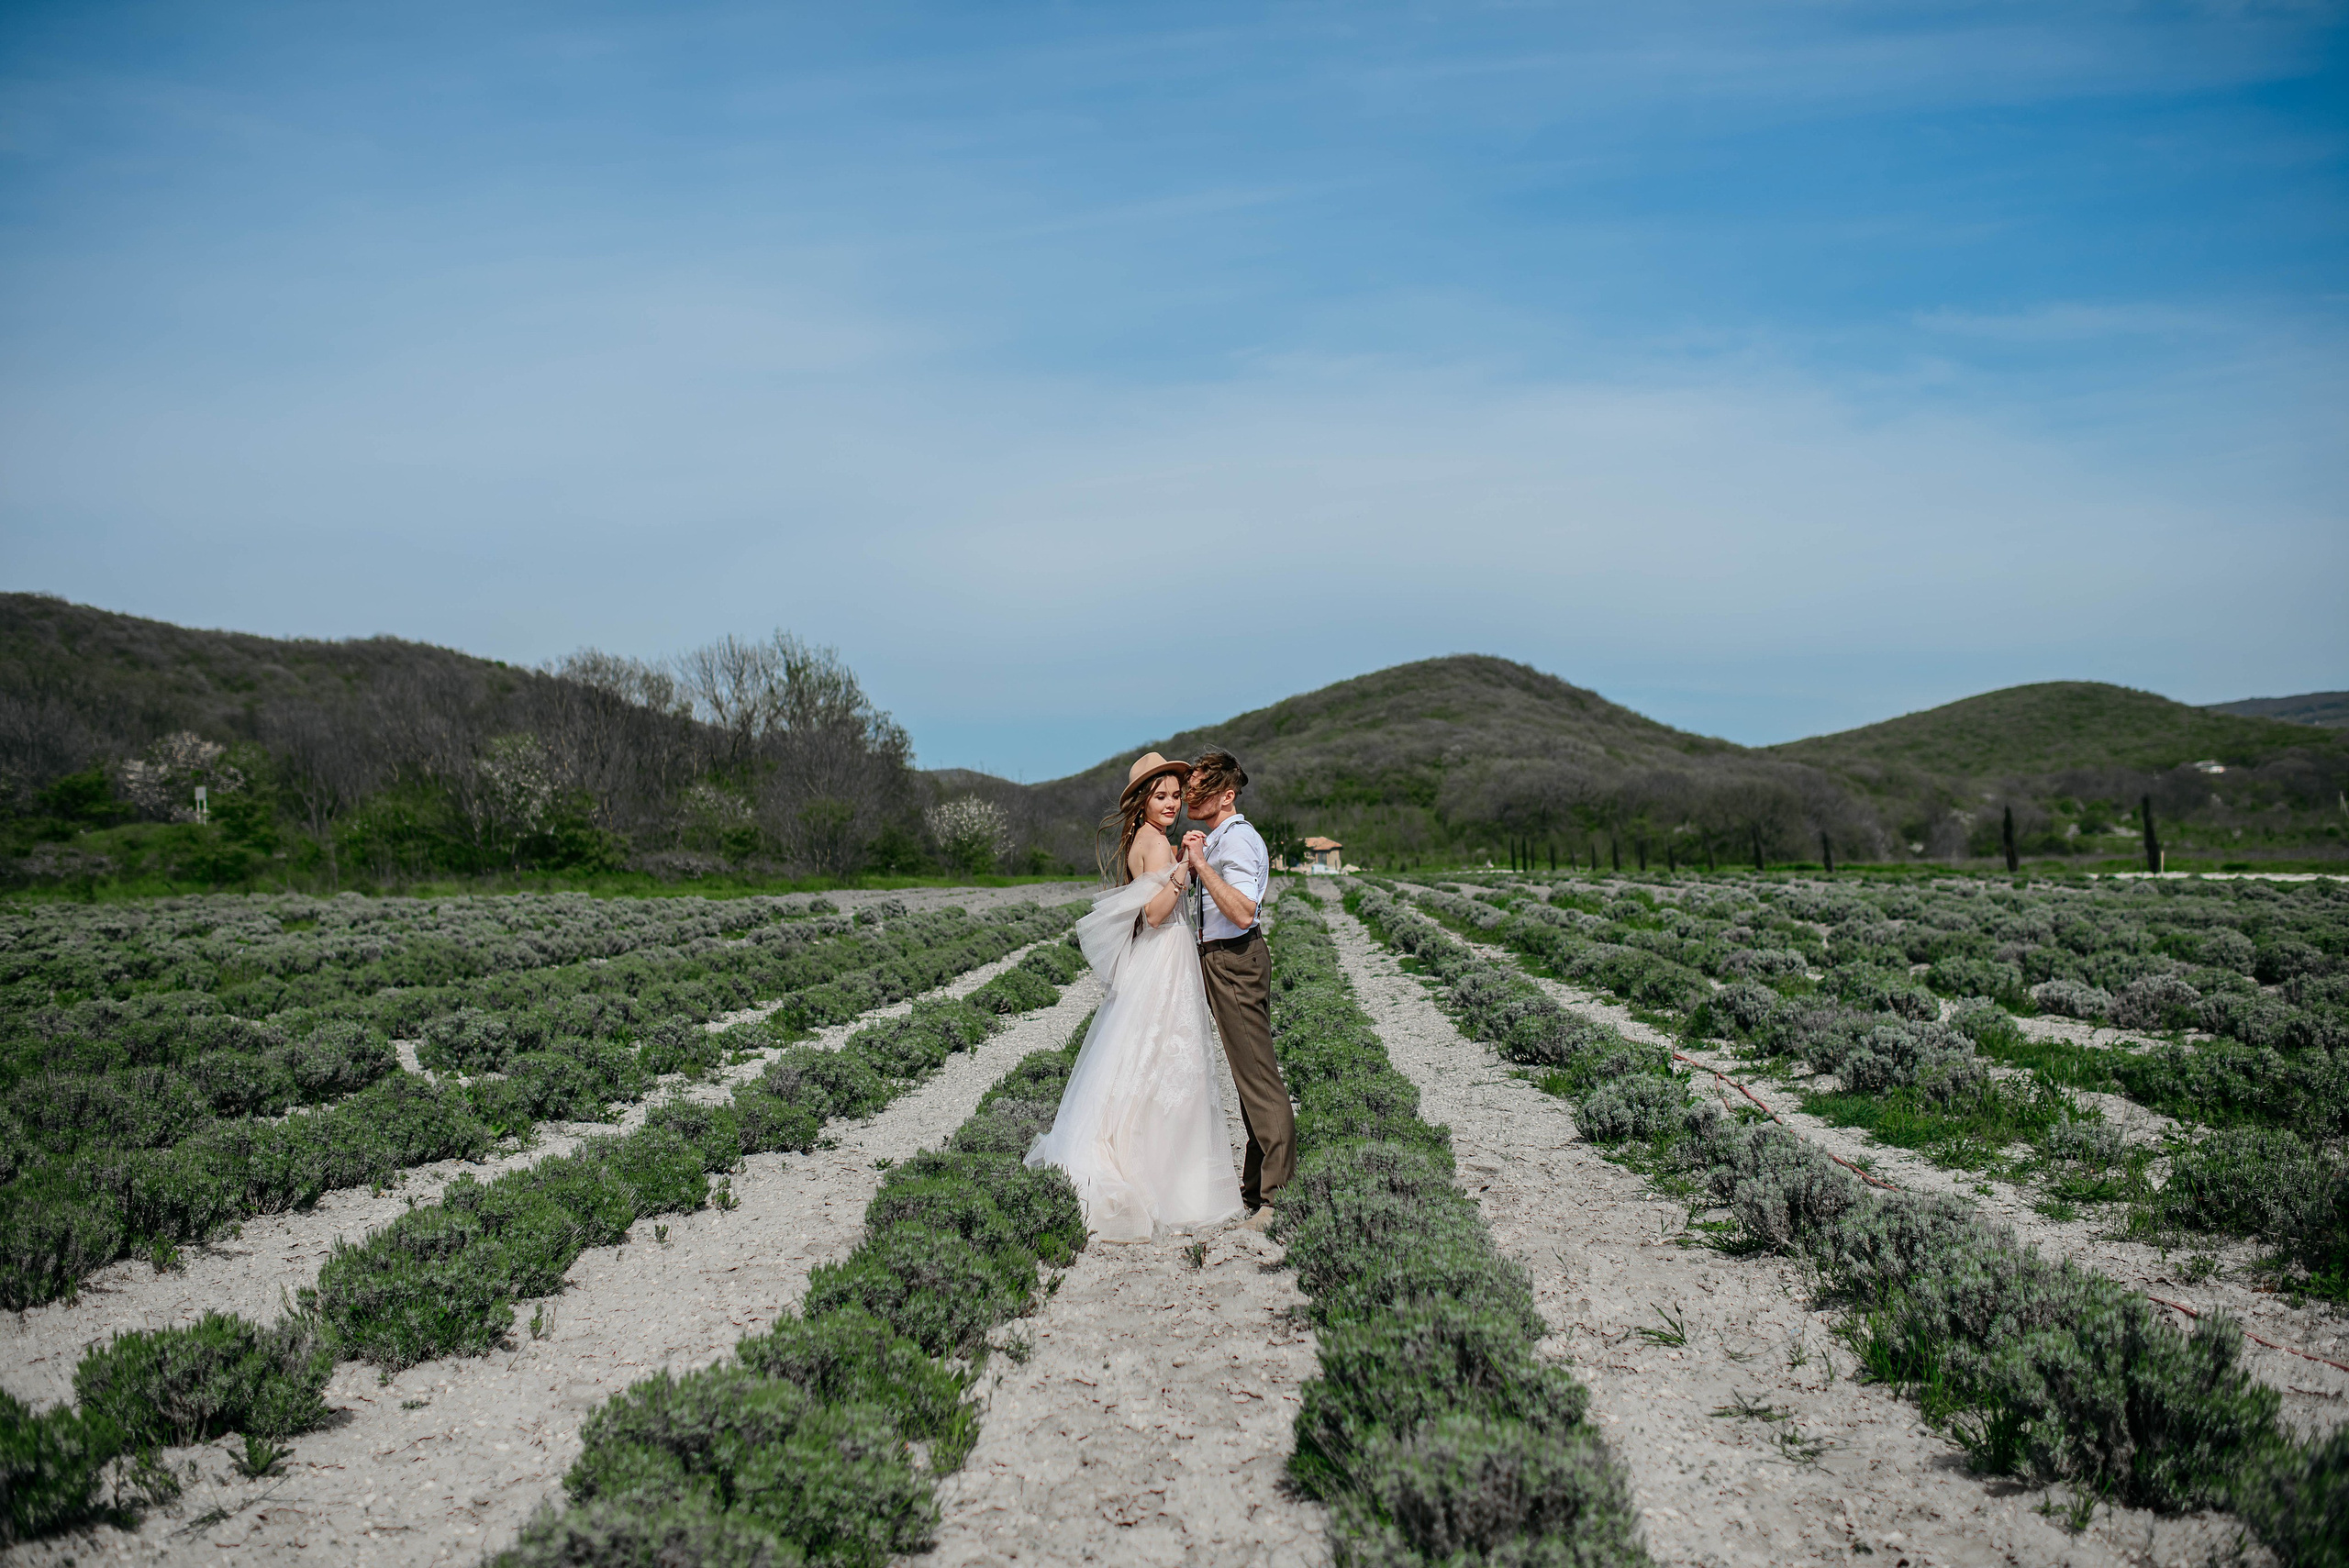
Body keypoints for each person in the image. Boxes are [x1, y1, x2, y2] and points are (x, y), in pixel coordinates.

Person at [1023, 752, 1248, 1242]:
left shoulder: (1148, 839)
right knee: (1166, 1063)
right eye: (1161, 796)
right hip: (1163, 959)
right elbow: (1156, 916)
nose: (1171, 804)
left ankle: (1170, 1178)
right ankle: (1171, 1187)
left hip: (1161, 962)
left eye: (1174, 795)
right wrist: (1186, 869)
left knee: (1154, 1062)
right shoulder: (1155, 845)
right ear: (1143, 801)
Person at [1180, 749, 1293, 1229]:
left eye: (1200, 786)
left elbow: (1245, 911)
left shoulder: (1238, 841)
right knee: (1247, 1077)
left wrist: (1202, 864)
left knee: (1259, 1078)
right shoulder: (1221, 838)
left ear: (1226, 795)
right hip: (1222, 960)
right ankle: (1254, 1189)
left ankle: (1276, 1199)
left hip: (1235, 960)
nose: (1189, 795)